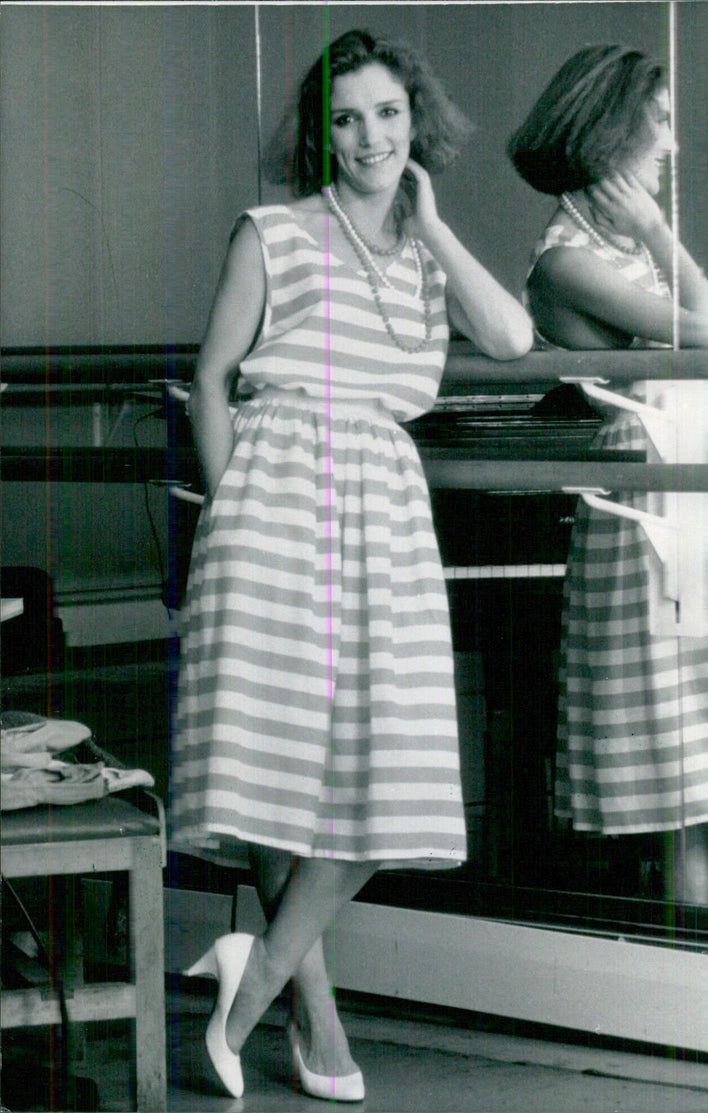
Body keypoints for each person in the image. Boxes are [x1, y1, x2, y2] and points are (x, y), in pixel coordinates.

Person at [172, 28, 532, 1102]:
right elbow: (211, 379)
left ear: (413, 121)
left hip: (382, 506)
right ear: (318, 132)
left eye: (385, 114)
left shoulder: (426, 253)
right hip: (275, 495)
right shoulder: (273, 233)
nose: (367, 136)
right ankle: (313, 1015)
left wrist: (431, 223)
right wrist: (234, 507)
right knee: (276, 768)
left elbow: (511, 341)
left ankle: (254, 981)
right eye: (344, 118)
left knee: (391, 773)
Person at [507, 45, 708, 907]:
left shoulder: (613, 240)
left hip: (707, 475)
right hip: (652, 496)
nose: (670, 142)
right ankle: (694, 951)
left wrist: (648, 235)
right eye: (659, 121)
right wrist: (660, 234)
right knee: (677, 747)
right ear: (609, 135)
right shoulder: (565, 258)